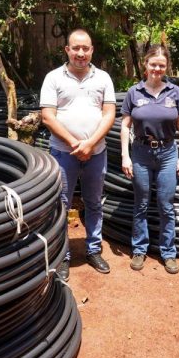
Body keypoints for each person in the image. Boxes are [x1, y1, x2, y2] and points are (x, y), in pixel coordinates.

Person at [40, 29, 116, 279]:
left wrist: (91, 144)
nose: (81, 53)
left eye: (85, 48)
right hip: (64, 154)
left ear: (92, 50)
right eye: (76, 48)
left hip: (97, 153)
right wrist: (76, 143)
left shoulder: (103, 78)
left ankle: (93, 250)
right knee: (61, 204)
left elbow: (109, 114)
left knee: (94, 202)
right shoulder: (53, 78)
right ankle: (63, 255)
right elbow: (48, 117)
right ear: (67, 50)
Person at [120, 45, 179, 274]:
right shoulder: (134, 92)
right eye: (153, 64)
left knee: (165, 205)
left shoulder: (174, 91)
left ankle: (168, 253)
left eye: (161, 65)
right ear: (145, 64)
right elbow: (125, 125)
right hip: (140, 153)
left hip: (168, 153)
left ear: (166, 66)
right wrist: (125, 156)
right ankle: (139, 249)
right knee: (141, 203)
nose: (157, 69)